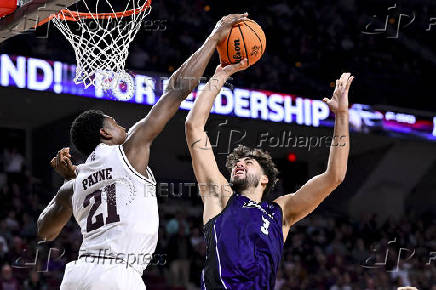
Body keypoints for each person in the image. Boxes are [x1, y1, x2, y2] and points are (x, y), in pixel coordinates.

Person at [37, 13, 249, 290]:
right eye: (114, 122)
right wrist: (215, 37)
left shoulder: (73, 185)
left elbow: (44, 231)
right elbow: (176, 89)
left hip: (77, 275)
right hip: (117, 275)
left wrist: (70, 183)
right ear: (105, 134)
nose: (121, 124)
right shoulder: (129, 149)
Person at [185, 60, 354, 289]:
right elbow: (194, 126)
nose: (239, 165)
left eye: (248, 162)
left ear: (265, 179)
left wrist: (342, 115)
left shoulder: (281, 211)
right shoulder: (222, 198)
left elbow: (335, 175)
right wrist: (220, 77)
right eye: (237, 163)